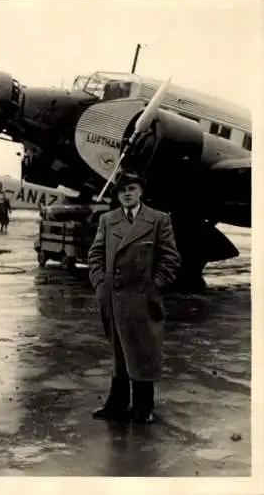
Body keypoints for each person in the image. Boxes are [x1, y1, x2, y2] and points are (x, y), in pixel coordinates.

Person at [88, 169, 180, 424]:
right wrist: (99, 283)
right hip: (114, 297)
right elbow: (95, 254)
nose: (126, 194)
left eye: (131, 189)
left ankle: (142, 407)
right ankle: (116, 404)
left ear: (140, 191)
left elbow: (171, 258)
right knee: (119, 353)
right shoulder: (108, 219)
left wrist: (154, 285)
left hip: (142, 298)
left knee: (143, 352)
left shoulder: (158, 219)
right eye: (122, 190)